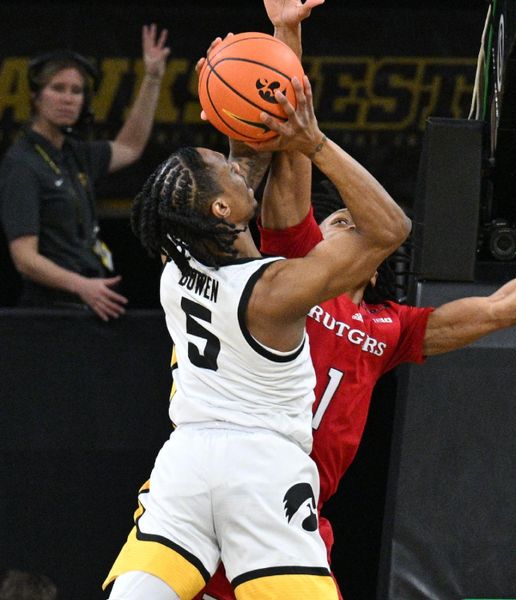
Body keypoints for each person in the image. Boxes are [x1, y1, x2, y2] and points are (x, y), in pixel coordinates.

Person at [186, 3, 516, 599]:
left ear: (375, 261)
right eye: (335, 217)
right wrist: (287, 30)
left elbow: (501, 308)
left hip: (292, 506)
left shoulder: (390, 327)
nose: (340, 223)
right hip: (224, 480)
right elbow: (287, 138)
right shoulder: (296, 263)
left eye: (350, 225)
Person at [101, 58, 411, 599]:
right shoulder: (276, 291)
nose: (237, 165)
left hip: (187, 463)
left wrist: (269, 67)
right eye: (227, 171)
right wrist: (314, 142)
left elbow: (251, 156)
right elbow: (392, 228)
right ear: (223, 208)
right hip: (262, 470)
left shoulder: (176, 265)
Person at [0, 24, 170, 321]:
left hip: (87, 302)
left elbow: (130, 147)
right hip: (49, 310)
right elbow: (24, 258)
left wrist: (152, 78)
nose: (68, 98)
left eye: (76, 91)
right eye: (58, 88)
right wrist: (81, 286)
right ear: (36, 97)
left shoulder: (74, 153)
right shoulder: (21, 164)